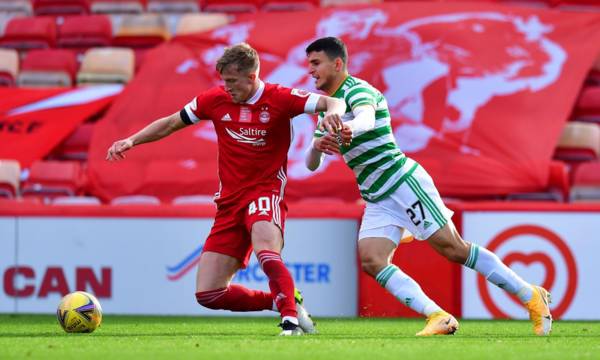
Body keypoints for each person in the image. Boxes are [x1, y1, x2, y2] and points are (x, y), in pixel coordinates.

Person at [304, 37, 552, 336]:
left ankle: (531, 296)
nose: (311, 71)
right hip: (376, 197)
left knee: (455, 250)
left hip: (403, 182)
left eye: (316, 63)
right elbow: (311, 164)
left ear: (337, 63)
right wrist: (317, 146)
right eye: (309, 65)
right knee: (372, 259)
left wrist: (348, 128)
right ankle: (437, 315)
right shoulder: (326, 109)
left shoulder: (359, 90)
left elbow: (367, 120)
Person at [107, 43, 346, 336]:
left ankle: (290, 322)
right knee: (208, 294)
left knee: (266, 251)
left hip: (264, 192)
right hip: (229, 204)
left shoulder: (280, 98)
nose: (227, 87)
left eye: (232, 81)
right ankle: (283, 302)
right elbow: (171, 123)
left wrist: (333, 113)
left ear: (252, 76)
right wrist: (131, 141)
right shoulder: (215, 100)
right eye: (224, 81)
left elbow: (330, 103)